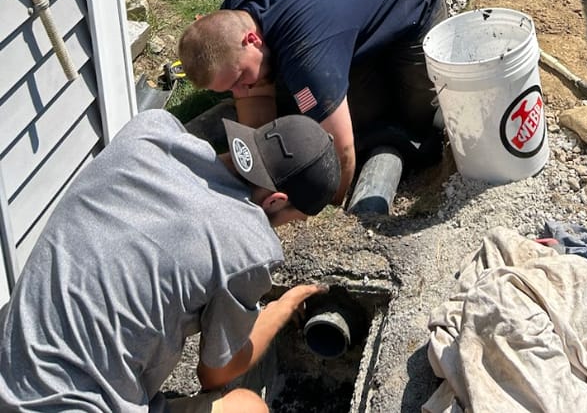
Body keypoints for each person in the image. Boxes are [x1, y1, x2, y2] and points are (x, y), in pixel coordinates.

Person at [0, 109, 341, 412]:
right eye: (295, 217)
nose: (294, 225)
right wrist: (282, 308)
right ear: (275, 200)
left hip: (8, 371)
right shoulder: (248, 246)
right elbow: (214, 373)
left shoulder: (148, 130)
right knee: (247, 407)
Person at [179, 0, 447, 203]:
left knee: (419, 120)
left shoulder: (304, 49)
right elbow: (256, 102)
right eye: (231, 89)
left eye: (239, 79)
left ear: (252, 39)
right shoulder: (232, 18)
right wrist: (257, 172)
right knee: (307, 98)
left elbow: (341, 153)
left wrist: (324, 205)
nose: (240, 90)